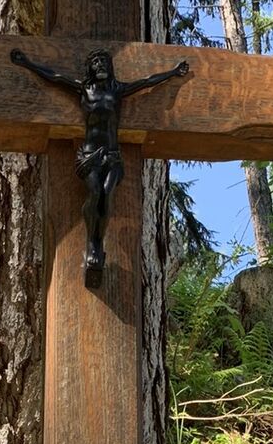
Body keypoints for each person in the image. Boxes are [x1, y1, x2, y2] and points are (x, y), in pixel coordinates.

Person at [10, 46, 188, 286]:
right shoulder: (84, 89)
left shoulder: (118, 90)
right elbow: (55, 77)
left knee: (106, 195)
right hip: (89, 155)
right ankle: (93, 243)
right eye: (96, 62)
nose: (101, 65)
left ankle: (97, 242)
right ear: (90, 68)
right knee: (95, 193)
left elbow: (147, 82)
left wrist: (174, 72)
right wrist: (27, 63)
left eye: (104, 61)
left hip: (113, 156)